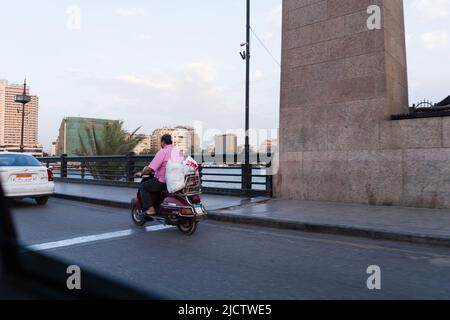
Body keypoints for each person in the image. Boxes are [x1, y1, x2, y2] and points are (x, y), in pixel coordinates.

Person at [139, 134, 183, 216]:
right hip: (177, 181)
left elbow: (151, 168)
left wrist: (141, 172)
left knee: (143, 187)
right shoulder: (178, 151)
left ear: (163, 142)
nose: (160, 144)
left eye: (161, 142)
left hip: (163, 182)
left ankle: (151, 209)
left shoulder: (163, 152)